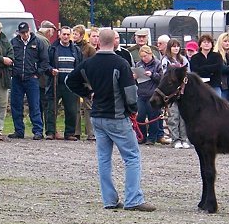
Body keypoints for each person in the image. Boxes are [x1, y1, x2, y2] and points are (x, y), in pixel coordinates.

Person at [65, 28, 155, 212]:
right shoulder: (120, 63)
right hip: (116, 117)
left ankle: (109, 200)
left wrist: (88, 93)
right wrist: (133, 110)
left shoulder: (88, 63)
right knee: (132, 157)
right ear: (115, 41)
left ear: (98, 42)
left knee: (104, 159)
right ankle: (133, 199)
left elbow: (69, 80)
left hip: (97, 116)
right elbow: (130, 93)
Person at [9, 22, 49, 140]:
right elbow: (10, 57)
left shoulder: (38, 43)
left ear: (29, 30)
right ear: (18, 32)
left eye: (26, 32)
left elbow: (44, 60)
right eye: (22, 32)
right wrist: (12, 71)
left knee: (34, 105)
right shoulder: (14, 42)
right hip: (17, 79)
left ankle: (37, 131)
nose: (25, 34)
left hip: (31, 78)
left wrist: (38, 73)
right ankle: (19, 130)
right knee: (16, 105)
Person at [46, 26, 82, 140]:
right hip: (56, 83)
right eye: (64, 34)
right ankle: (50, 132)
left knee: (71, 110)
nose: (66, 37)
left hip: (70, 85)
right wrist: (51, 70)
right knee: (51, 109)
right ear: (59, 35)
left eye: (68, 34)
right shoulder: (53, 49)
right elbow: (45, 64)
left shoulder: (76, 50)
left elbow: (80, 66)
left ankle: (69, 133)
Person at [160, 39, 191, 149]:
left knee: (183, 117)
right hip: (171, 93)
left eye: (178, 46)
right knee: (173, 116)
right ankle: (175, 139)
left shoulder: (184, 60)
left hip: (183, 91)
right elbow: (165, 76)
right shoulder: (165, 60)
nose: (176, 48)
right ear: (169, 48)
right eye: (174, 46)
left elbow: (189, 74)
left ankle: (184, 138)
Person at [134, 45, 164, 145]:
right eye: (142, 56)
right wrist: (135, 77)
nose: (144, 59)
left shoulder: (157, 64)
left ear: (150, 54)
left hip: (153, 94)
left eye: (145, 56)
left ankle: (152, 138)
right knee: (140, 116)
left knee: (153, 117)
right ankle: (142, 136)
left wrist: (152, 75)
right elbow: (136, 82)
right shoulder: (139, 64)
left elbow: (161, 79)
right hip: (141, 93)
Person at [72, 24, 96, 141]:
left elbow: (94, 64)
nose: (73, 36)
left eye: (75, 34)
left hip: (87, 80)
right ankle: (76, 132)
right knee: (75, 106)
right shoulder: (71, 47)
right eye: (73, 33)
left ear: (81, 35)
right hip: (76, 80)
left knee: (88, 106)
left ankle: (91, 132)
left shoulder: (89, 48)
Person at [35, 20, 56, 127]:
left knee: (36, 104)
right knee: (44, 104)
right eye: (53, 31)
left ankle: (38, 127)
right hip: (42, 78)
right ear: (48, 30)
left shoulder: (35, 38)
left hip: (35, 76)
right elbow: (47, 60)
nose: (53, 34)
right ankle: (44, 127)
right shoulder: (44, 41)